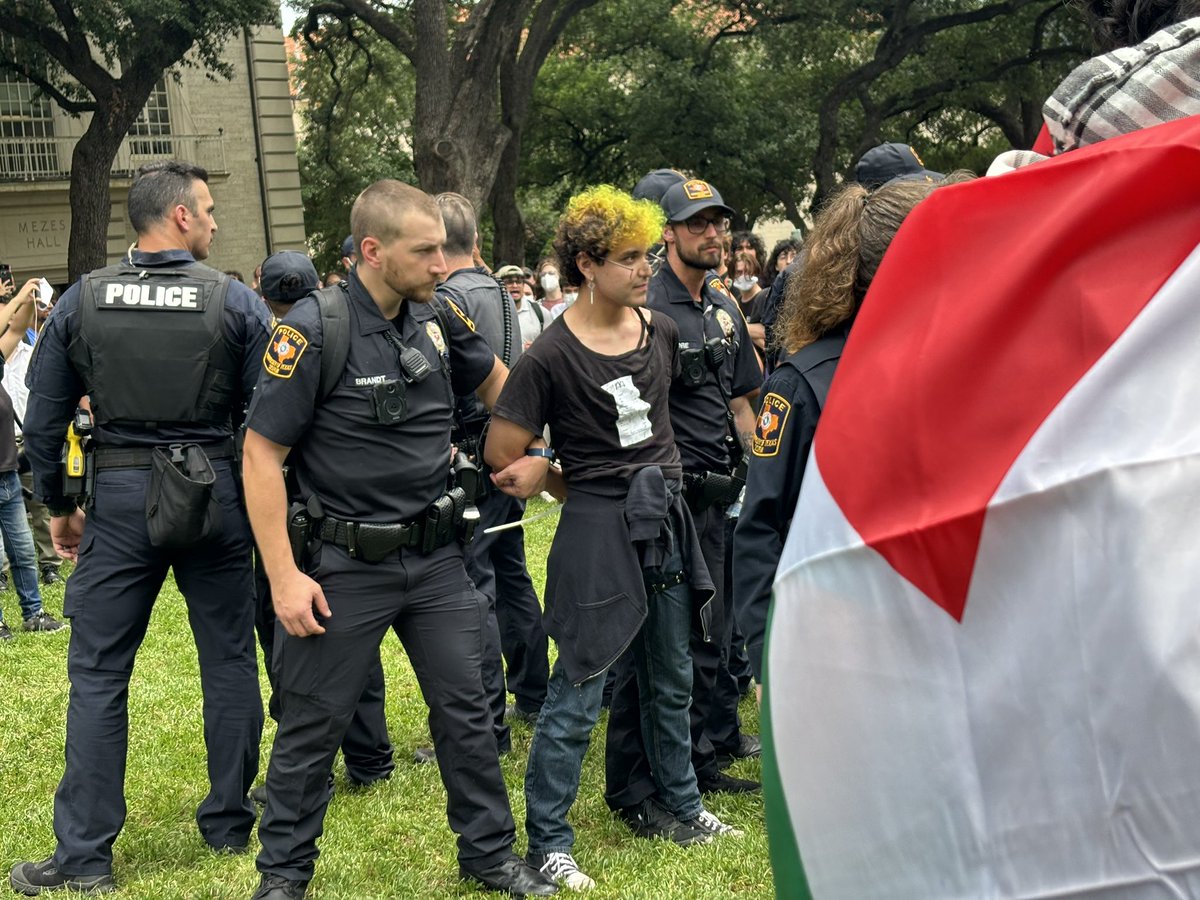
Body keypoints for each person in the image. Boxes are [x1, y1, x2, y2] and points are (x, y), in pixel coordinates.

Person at [241, 179, 554, 900]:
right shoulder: (313, 329)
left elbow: (505, 389)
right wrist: (286, 577)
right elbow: (260, 456)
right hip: (345, 564)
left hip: (439, 559)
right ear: (373, 251)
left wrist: (529, 450)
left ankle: (489, 856)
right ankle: (283, 877)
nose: (443, 263)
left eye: (444, 247)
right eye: (426, 251)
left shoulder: (439, 315)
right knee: (311, 729)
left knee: (469, 715)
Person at [11, 160, 268, 894]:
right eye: (210, 210)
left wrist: (62, 505)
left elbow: (46, 415)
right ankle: (228, 822)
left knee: (98, 672)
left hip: (120, 492)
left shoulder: (83, 300)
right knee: (227, 659)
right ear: (180, 217)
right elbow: (270, 413)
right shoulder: (235, 301)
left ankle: (84, 854)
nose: (216, 222)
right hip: (215, 486)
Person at [485, 185, 740, 892]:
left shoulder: (657, 329)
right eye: (630, 258)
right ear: (587, 264)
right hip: (597, 530)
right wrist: (555, 474)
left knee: (673, 673)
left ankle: (684, 806)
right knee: (580, 686)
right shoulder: (549, 356)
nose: (643, 270)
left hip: (667, 518)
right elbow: (504, 451)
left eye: (646, 255)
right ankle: (551, 842)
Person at [733, 177, 941, 691]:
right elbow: (762, 526)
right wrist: (766, 653)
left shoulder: (948, 364)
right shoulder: (802, 383)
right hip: (839, 637)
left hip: (931, 624)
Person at [604, 177, 763, 828]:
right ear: (665, 232)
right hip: (667, 502)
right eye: (697, 223)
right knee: (659, 650)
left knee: (715, 635)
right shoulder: (647, 310)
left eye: (718, 222)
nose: (712, 233)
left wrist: (762, 476)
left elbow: (744, 400)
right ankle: (641, 786)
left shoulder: (722, 306)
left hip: (722, 500)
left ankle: (701, 755)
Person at [251, 250, 395, 799]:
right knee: (352, 633)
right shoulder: (341, 328)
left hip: (291, 514)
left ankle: (312, 761)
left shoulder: (281, 341)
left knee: (295, 639)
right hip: (338, 513)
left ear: (265, 292)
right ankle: (369, 753)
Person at [434, 196, 548, 752]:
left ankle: (485, 722)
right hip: (508, 443)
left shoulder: (445, 298)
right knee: (510, 573)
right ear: (474, 240)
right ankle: (533, 690)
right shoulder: (501, 293)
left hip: (470, 451)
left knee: (472, 587)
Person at [0, 278, 66, 641]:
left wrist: (26, 299)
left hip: (7, 471)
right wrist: (15, 299)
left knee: (24, 549)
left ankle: (33, 612)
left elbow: (20, 327)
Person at [497, 263, 546, 351]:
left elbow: (551, 344)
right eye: (509, 282)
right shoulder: (492, 313)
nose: (515, 285)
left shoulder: (540, 312)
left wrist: (538, 348)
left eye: (519, 282)